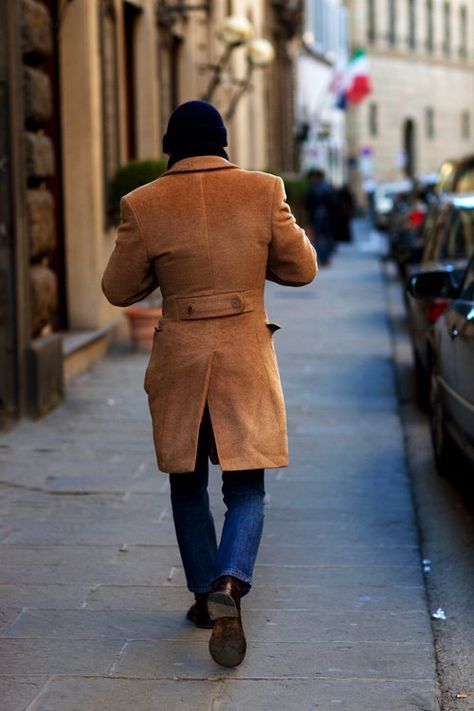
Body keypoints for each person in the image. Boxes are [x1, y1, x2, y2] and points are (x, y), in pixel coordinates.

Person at [102, 100, 317, 668]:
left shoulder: (142, 203)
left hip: (181, 361)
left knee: (187, 482)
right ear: (224, 143)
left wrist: (160, 269)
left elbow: (118, 290)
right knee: (247, 488)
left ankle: (204, 599)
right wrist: (254, 262)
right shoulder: (264, 190)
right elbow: (302, 269)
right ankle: (231, 582)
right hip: (244, 357)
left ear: (171, 145)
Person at [305, 168, 338, 265]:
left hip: (316, 214)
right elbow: (335, 203)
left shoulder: (312, 187)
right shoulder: (328, 187)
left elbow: (307, 203)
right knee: (328, 236)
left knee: (318, 236)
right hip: (328, 215)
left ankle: (321, 257)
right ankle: (326, 257)